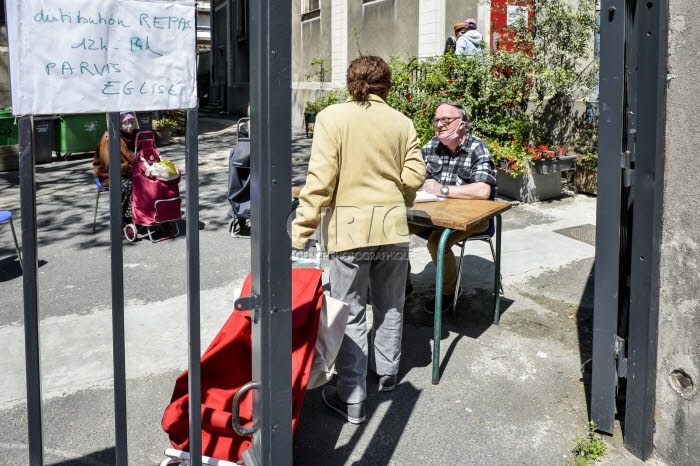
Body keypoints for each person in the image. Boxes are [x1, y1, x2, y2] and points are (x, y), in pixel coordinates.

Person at [291, 55, 426, 424]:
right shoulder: (402, 122)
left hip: (349, 230)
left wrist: (302, 229)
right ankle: (386, 374)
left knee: (348, 311)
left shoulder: (331, 118)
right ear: (387, 84)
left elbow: (320, 180)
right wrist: (398, 196)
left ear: (350, 82)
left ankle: (352, 397)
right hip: (393, 227)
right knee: (391, 303)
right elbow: (416, 174)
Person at [407, 101, 496, 314]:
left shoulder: (477, 147)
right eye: (436, 120)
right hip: (436, 215)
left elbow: (483, 191)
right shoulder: (431, 146)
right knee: (395, 230)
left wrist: (443, 189)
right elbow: (413, 175)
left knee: (438, 241)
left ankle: (448, 292)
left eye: (446, 120)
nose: (439, 125)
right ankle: (402, 285)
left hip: (472, 219)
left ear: (462, 123)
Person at [93, 112, 138, 223]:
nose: (130, 126)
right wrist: (134, 170)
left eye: (132, 122)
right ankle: (125, 218)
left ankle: (145, 212)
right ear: (119, 124)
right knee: (129, 184)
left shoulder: (136, 136)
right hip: (109, 174)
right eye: (126, 123)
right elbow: (110, 165)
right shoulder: (108, 137)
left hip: (133, 171)